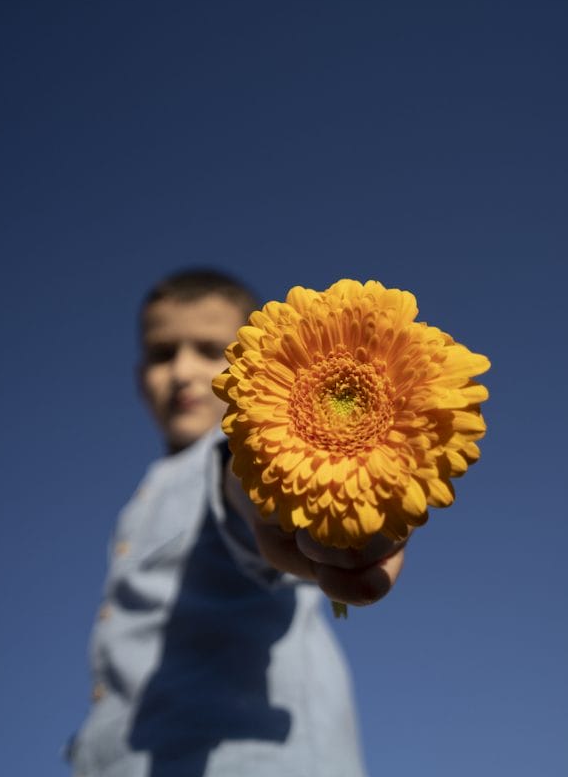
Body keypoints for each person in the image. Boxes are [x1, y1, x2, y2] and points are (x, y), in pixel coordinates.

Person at [67, 268, 407, 777]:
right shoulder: (141, 498)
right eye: (163, 353)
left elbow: (241, 477)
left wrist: (275, 497)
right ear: (141, 378)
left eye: (208, 350)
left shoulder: (244, 452)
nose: (182, 371)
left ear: (255, 362)